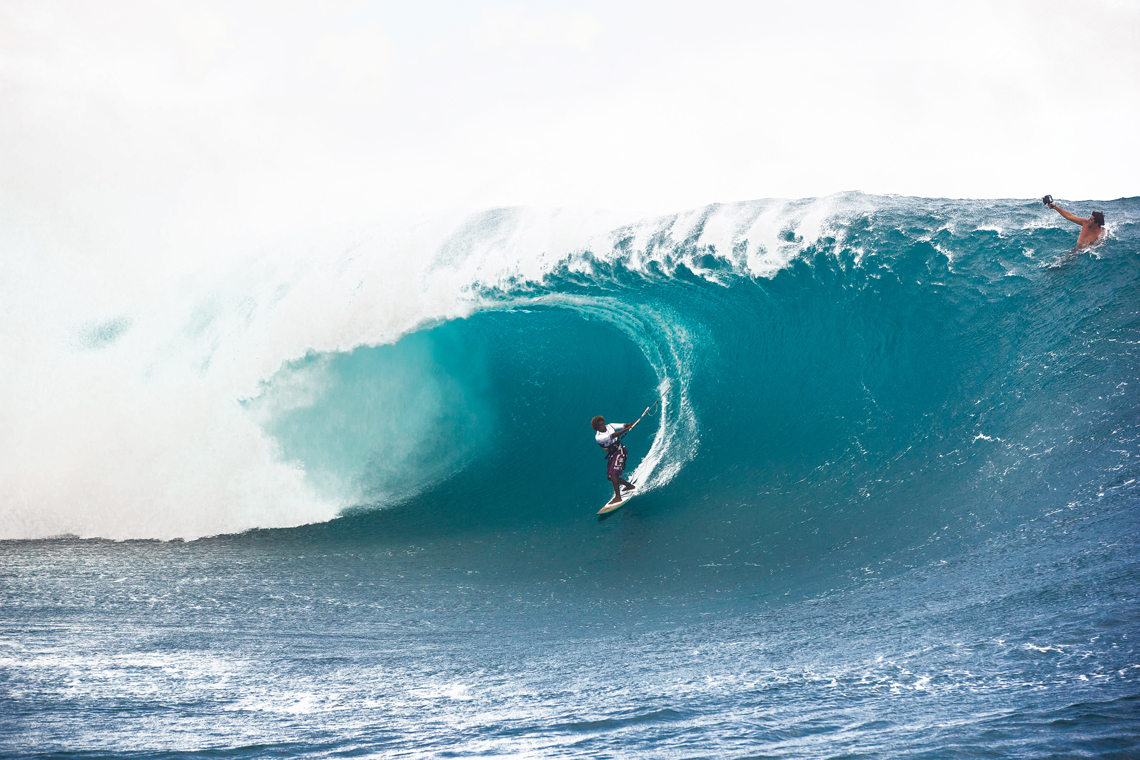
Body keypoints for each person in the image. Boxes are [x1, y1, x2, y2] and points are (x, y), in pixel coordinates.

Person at [592, 415, 638, 506]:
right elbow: (613, 435)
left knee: (613, 474)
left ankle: (618, 497)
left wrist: (633, 423)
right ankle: (629, 486)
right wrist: (625, 430)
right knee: (609, 477)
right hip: (613, 455)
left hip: (620, 451)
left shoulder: (611, 426)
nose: (604, 426)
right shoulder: (599, 437)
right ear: (597, 428)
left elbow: (625, 425)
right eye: (601, 425)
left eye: (603, 424)